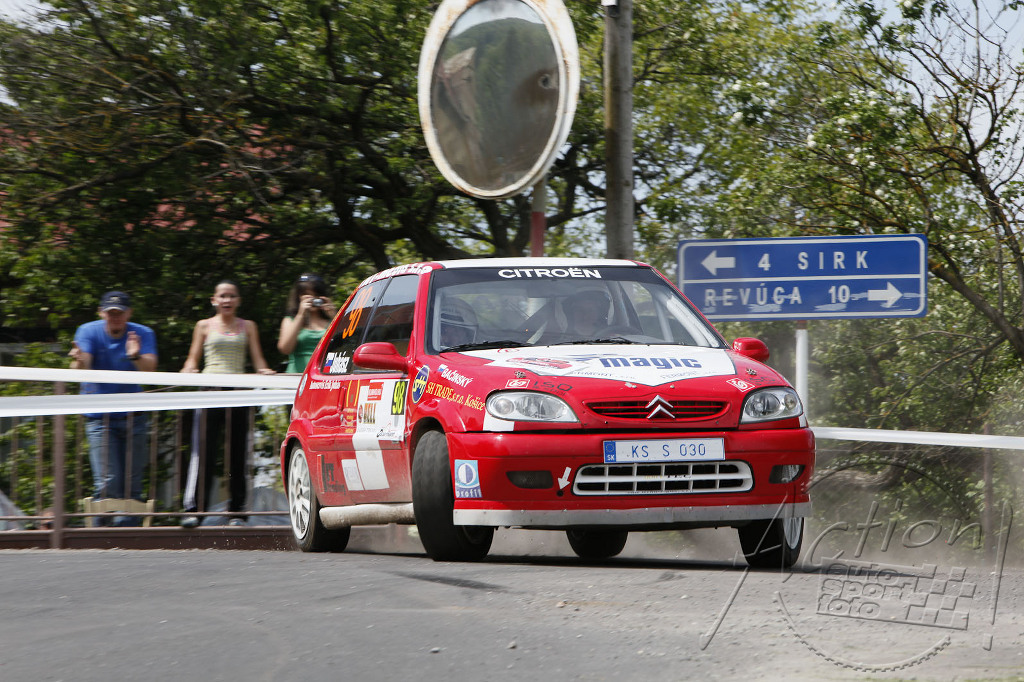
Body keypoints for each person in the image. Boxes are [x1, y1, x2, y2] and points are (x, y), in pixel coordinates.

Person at [180, 280, 275, 528]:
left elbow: (259, 361)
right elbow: (192, 360)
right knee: (203, 452)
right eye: (222, 296)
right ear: (214, 300)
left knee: (238, 453)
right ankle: (194, 511)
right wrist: (188, 370)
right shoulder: (203, 325)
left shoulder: (248, 326)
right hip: (209, 391)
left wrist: (265, 372)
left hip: (238, 393)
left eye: (231, 296)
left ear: (238, 301)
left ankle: (237, 513)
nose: (227, 300)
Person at [69, 291, 158, 523]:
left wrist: (135, 355)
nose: (115, 317)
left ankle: (127, 536)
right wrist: (79, 361)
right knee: (107, 482)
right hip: (100, 418)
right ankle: (101, 536)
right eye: (110, 313)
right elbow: (82, 366)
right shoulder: (88, 331)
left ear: (129, 313)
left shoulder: (143, 333)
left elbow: (150, 369)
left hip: (134, 417)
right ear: (101, 313)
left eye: (120, 313)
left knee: (133, 484)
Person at [277, 273, 337, 373]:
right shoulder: (290, 320)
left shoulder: (331, 320)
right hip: (296, 376)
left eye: (316, 295)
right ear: (299, 297)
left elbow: (346, 346)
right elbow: (285, 349)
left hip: (324, 376)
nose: (312, 299)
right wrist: (301, 315)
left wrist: (335, 317)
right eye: (307, 295)